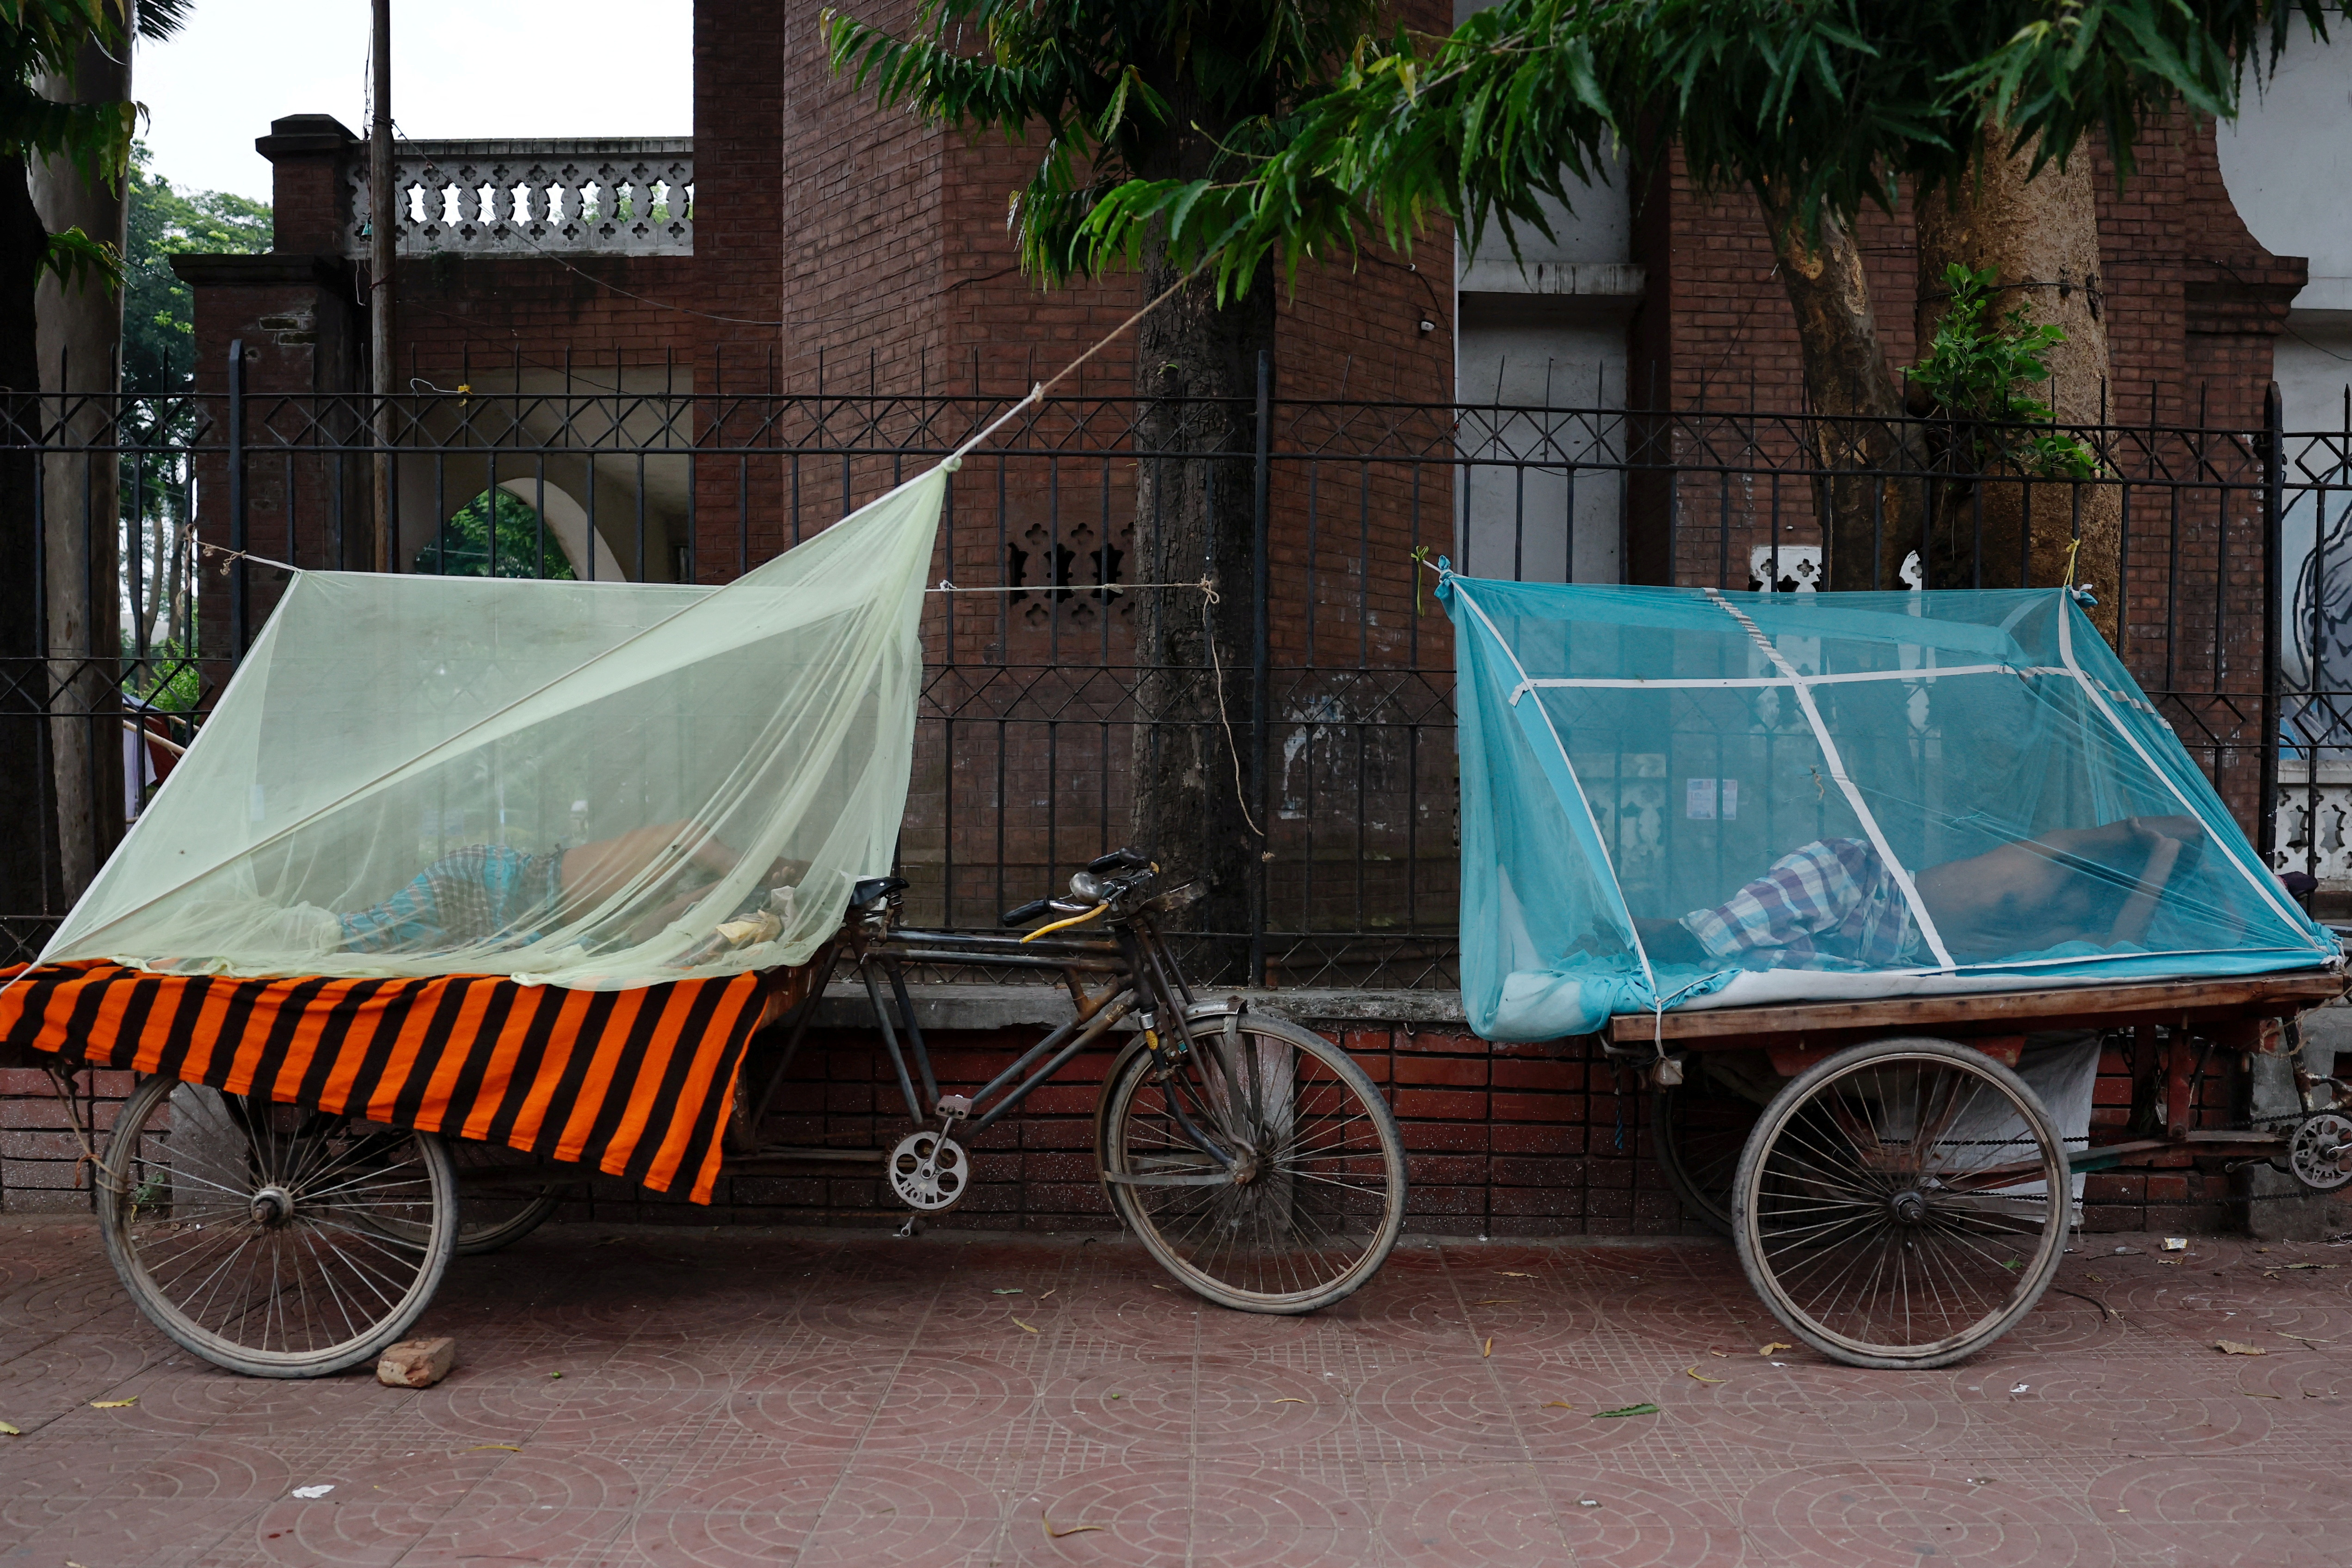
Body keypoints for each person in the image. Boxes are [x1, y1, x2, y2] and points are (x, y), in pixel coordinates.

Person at [1630, 815, 2204, 970]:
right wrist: (2162, 841)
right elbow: (2181, 824)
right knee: (1716, 935)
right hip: (1872, 882)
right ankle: (1643, 935)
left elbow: (2121, 950)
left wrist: (2163, 859)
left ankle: (1650, 941)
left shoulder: (2090, 922)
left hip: (1894, 950)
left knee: (1748, 960)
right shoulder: (2069, 848)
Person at [337, 820, 799, 954]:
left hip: (520, 920)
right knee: (373, 933)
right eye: (778, 868)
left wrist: (714, 893)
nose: (776, 877)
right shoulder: (687, 839)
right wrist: (761, 871)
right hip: (489, 879)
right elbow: (731, 860)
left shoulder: (689, 896)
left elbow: (638, 937)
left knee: (397, 950)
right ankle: (298, 932)